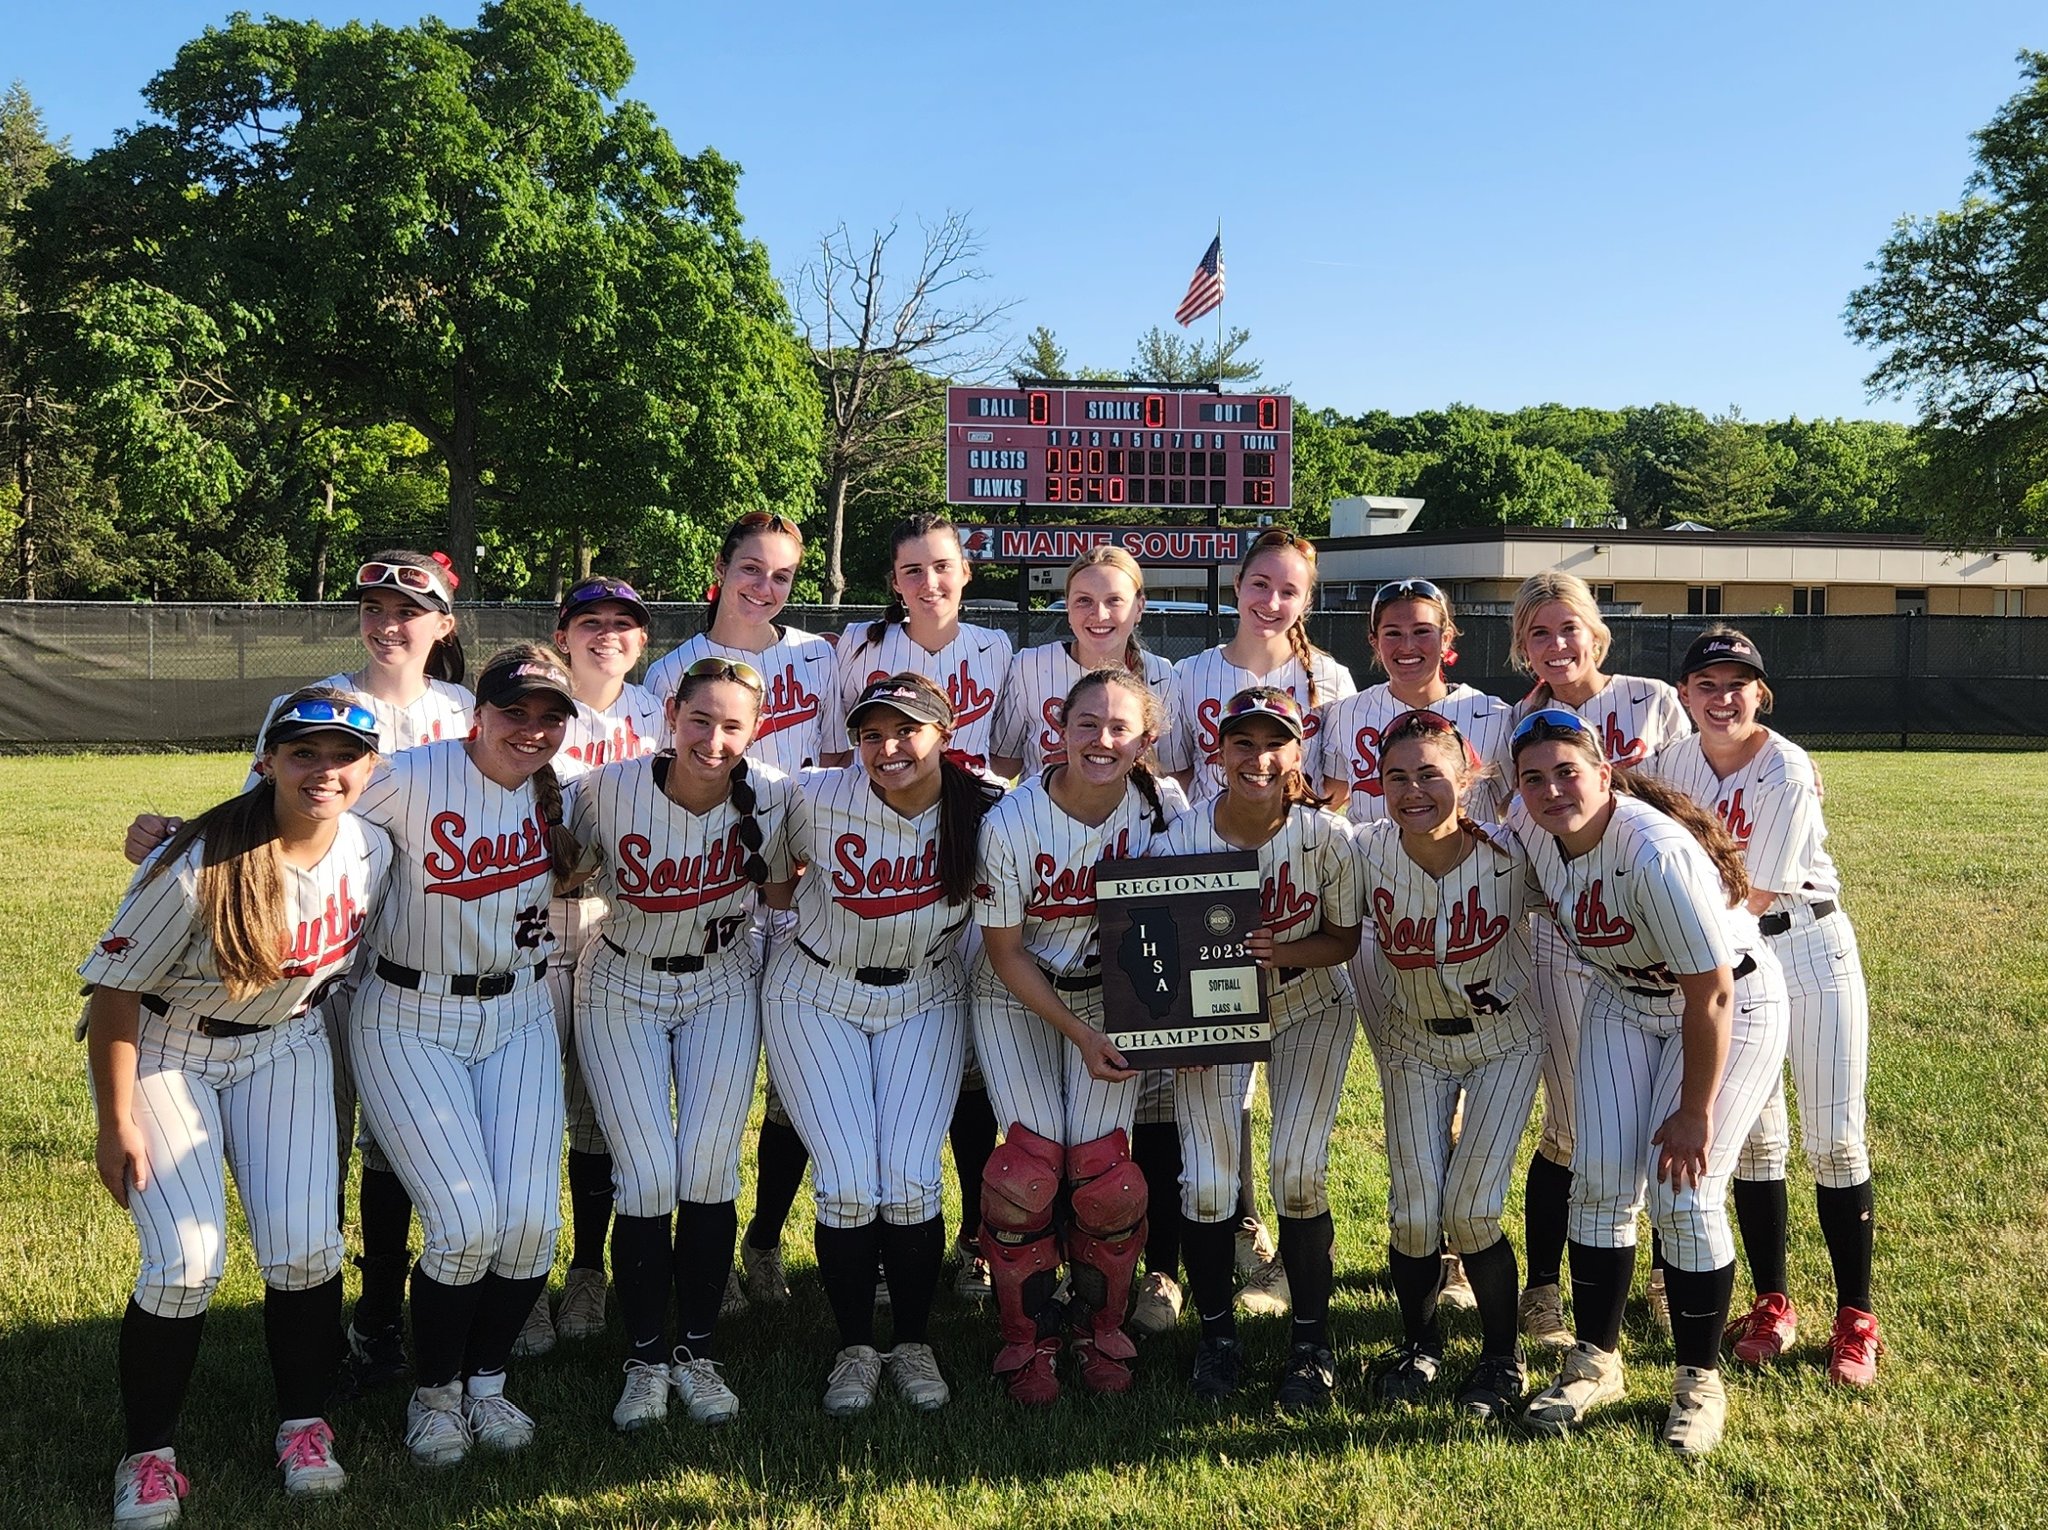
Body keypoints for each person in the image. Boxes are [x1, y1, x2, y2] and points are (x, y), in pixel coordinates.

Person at [125, 550, 472, 1397]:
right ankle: (330, 1314)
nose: (389, 622)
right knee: (326, 1148)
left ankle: (382, 1319)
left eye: (409, 608)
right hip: (320, 964)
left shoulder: (464, 711)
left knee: (398, 1143)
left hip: (419, 957)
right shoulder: (313, 700)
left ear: (443, 625)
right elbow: (259, 816)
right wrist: (172, 834)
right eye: (376, 607)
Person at [84, 688, 390, 1524]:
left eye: (344, 754)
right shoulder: (197, 862)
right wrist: (115, 1126)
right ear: (266, 760)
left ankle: (305, 1425)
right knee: (184, 1261)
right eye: (304, 753)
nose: (324, 770)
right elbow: (112, 993)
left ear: (371, 767)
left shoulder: (372, 849)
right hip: (168, 1051)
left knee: (303, 1249)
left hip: (282, 1046)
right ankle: (147, 1455)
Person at [1508, 707, 1789, 1457]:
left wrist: (1694, 1111)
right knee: (1598, 1185)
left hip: (1730, 1003)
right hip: (1625, 1000)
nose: (1551, 789)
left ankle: (1699, 1381)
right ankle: (1596, 1362)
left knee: (1684, 1193)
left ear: (1605, 774)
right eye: (1533, 778)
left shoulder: (1652, 850)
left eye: (1568, 771)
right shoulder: (1536, 831)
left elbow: (1714, 992)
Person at [345, 643, 581, 1468]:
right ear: (476, 712)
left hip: (516, 1010)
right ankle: (434, 1393)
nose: (532, 729)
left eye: (550, 717)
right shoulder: (409, 774)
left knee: (529, 1226)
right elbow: (287, 805)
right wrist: (172, 833)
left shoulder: (558, 794)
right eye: (515, 712)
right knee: (463, 1222)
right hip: (407, 1012)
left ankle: (486, 1382)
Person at [760, 673, 1004, 1416]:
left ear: (945, 732)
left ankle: (914, 1340)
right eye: (872, 733)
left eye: (906, 730)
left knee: (907, 1179)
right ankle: (855, 1348)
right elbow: (774, 881)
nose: (888, 746)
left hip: (925, 992)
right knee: (847, 1180)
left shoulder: (990, 804)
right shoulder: (817, 795)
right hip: (817, 993)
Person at [1645, 628, 1882, 1386]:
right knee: (1756, 1142)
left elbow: (1753, 894)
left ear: (1762, 693)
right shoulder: (1670, 764)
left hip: (1803, 947)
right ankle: (1773, 1302)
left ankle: (1856, 1316)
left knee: (1836, 1141)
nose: (1722, 698)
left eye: (1738, 684)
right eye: (1707, 685)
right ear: (1684, 696)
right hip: (1726, 956)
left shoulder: (1784, 765)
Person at [567, 656, 798, 1431]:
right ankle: (644, 1357)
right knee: (646, 1173)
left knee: (704, 1168)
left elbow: (787, 886)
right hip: (621, 978)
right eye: (700, 719)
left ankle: (697, 1351)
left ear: (754, 729)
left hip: (722, 980)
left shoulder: (772, 793)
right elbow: (553, 860)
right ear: (671, 713)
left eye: (733, 724)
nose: (714, 737)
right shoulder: (608, 786)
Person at [971, 666, 1185, 1404]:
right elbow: (1003, 953)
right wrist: (1079, 1035)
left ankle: (1101, 1327)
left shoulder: (1165, 810)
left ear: (1146, 740)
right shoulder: (1011, 821)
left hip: (1110, 996)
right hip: (1016, 992)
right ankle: (1026, 1340)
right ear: (1056, 730)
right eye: (1086, 724)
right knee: (1027, 1173)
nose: (1102, 739)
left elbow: (1185, 918)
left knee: (1106, 1182)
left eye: (1120, 727)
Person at [1156, 528, 1357, 1305]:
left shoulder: (1327, 676)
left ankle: (1280, 1259)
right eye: (1260, 584)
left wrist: (1288, 831)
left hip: (1291, 862)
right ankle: (1237, 1229)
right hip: (1209, 857)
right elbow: (1173, 767)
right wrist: (1211, 832)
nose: (1272, 600)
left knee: (1297, 1138)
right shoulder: (1193, 673)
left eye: (1289, 589)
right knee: (1219, 1095)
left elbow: (1334, 781)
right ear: (1237, 586)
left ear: (1307, 600)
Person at [644, 514, 837, 1314]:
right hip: (710, 893)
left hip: (802, 891)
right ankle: (707, 1253)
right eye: (751, 570)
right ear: (718, 570)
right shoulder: (673, 670)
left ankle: (762, 1243)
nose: (764, 587)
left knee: (792, 1086)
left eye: (783, 576)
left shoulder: (819, 657)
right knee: (709, 1084)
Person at [821, 512, 1015, 1302]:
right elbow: (840, 758)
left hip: (964, 848)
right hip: (886, 845)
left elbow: (1001, 758)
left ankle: (973, 1235)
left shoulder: (996, 648)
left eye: (941, 567)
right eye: (911, 570)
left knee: (969, 1071)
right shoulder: (861, 648)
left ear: (965, 572)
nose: (928, 582)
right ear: (893, 582)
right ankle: (862, 1235)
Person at [1153, 687, 1362, 1410]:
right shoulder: (1179, 840)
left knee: (1297, 1171)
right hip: (1213, 1018)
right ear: (1217, 751)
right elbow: (1154, 949)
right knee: (1208, 1184)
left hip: (1308, 1002)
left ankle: (1311, 1344)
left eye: (1275, 742)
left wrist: (1287, 949)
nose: (1259, 757)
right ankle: (1217, 1337)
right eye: (1244, 742)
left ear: (1298, 753)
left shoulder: (1327, 837)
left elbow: (1345, 940)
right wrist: (1177, 1026)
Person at [1314, 576, 1515, 1312]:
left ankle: (1459, 1251)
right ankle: (1426, 1236)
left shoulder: (1491, 715)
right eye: (1392, 633)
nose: (1408, 645)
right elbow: (1324, 804)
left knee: (1463, 1076)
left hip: (1475, 917)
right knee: (1411, 1076)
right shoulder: (1346, 717)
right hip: (1380, 919)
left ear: (1448, 640)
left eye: (1422, 631)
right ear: (1373, 643)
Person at [1505, 570, 1691, 1351]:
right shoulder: (1512, 723)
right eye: (1539, 633)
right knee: (1574, 1120)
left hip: (1652, 927)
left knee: (1655, 1111)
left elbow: (1698, 790)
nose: (1556, 645)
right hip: (1558, 932)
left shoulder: (1650, 699)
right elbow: (1498, 824)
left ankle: (1659, 1272)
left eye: (1568, 628)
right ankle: (1542, 1290)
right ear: (1521, 646)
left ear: (1595, 632)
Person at [1352, 709, 1542, 1421]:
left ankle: (1501, 1357)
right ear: (1377, 783)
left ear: (1468, 777)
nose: (1413, 789)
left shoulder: (1513, 852)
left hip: (1505, 1041)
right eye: (1396, 775)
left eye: (1432, 773)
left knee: (1472, 1210)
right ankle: (1420, 1344)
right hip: (1412, 1042)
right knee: (1412, 1215)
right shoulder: (1362, 850)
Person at [513, 576, 667, 1359]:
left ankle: (585, 1271)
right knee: (532, 1106)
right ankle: (527, 1279)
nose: (608, 634)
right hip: (533, 921)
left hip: (617, 918)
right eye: (591, 622)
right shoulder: (534, 707)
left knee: (597, 1110)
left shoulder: (655, 712)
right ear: (564, 633)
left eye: (625, 623)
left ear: (643, 640)